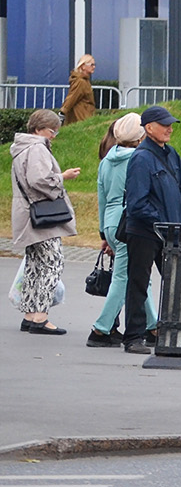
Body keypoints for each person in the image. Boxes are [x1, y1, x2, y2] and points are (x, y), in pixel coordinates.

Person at [121, 105, 181, 354]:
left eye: (171, 123)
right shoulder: (140, 157)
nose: (170, 128)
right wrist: (163, 220)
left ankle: (166, 331)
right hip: (145, 231)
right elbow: (137, 202)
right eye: (164, 124)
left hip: (169, 230)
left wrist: (180, 213)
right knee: (139, 283)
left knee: (174, 282)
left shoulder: (171, 154)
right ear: (149, 128)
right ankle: (133, 337)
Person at [87, 113, 156, 347]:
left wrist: (103, 234)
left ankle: (153, 324)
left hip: (110, 220)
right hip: (129, 221)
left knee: (136, 275)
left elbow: (102, 197)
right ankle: (101, 328)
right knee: (125, 277)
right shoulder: (138, 159)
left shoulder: (107, 160)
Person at [11, 109, 81, 336]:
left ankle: (30, 314)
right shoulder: (37, 148)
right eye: (53, 131)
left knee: (34, 265)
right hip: (42, 218)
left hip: (27, 214)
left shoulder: (22, 147)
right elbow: (39, 180)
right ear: (39, 129)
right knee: (53, 263)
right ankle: (40, 317)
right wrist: (63, 177)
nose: (54, 136)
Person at [61, 54, 97, 125]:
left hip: (84, 114)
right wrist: (62, 112)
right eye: (91, 65)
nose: (94, 67)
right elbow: (72, 97)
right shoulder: (80, 82)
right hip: (81, 116)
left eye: (94, 64)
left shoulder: (84, 80)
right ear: (83, 66)